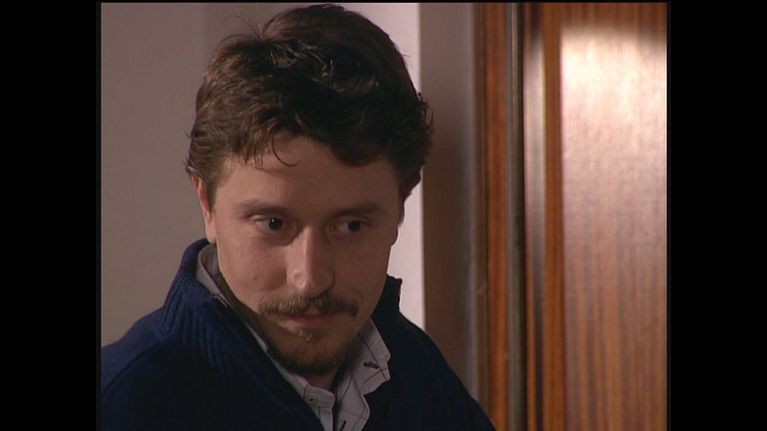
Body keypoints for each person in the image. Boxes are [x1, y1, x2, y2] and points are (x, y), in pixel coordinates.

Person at [101, 4, 495, 430]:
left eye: (351, 226)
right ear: (207, 207)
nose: (310, 280)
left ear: (400, 206)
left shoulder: (418, 373)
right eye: (273, 224)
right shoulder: (124, 405)